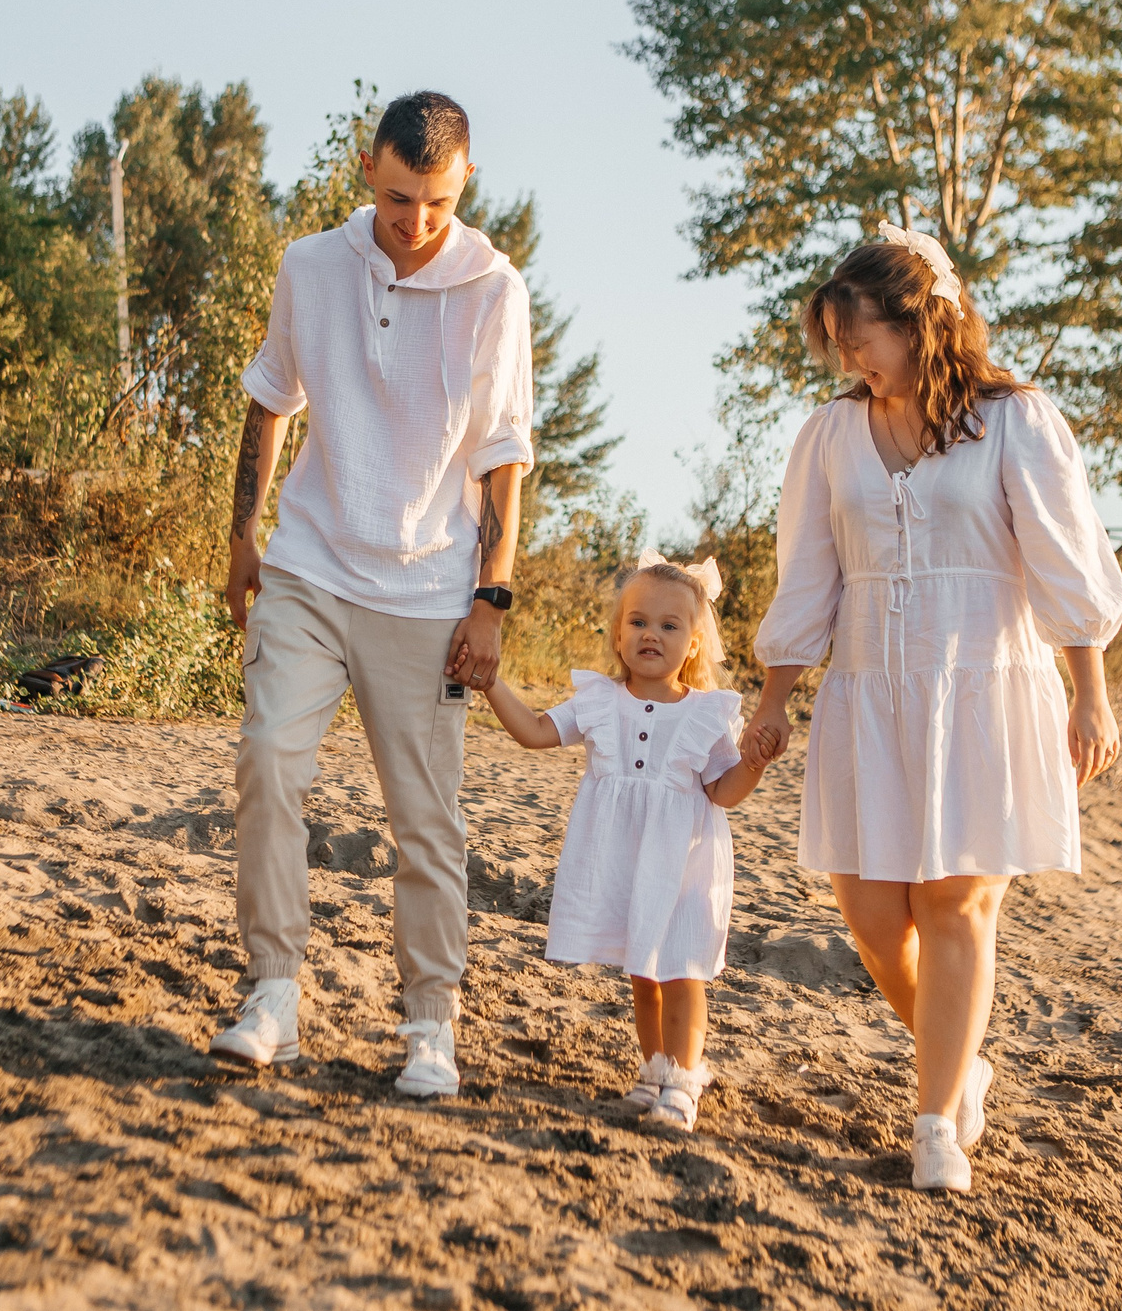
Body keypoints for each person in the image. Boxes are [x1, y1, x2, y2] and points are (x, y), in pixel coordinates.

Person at [744, 229, 1122, 1192]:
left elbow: (1062, 561)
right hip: (871, 687)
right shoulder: (830, 435)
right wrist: (775, 696)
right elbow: (808, 578)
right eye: (836, 343)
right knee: (874, 917)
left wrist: (1091, 692)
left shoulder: (1014, 420)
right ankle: (963, 1065)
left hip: (986, 680)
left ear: (920, 321)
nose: (849, 359)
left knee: (957, 900)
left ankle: (934, 1127)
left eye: (860, 336)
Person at [210, 90, 535, 1098]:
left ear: (463, 183)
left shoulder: (494, 290)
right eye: (401, 199)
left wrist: (492, 597)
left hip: (428, 589)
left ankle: (428, 1025)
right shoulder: (311, 266)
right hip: (308, 563)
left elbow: (501, 458)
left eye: (438, 202)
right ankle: (273, 994)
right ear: (367, 169)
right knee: (268, 759)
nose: (418, 224)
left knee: (425, 820)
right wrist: (240, 536)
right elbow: (271, 398)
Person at [476, 553, 780, 1131]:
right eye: (638, 621)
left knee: (682, 968)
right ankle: (656, 1066)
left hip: (685, 863)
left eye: (670, 626)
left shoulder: (706, 714)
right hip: (625, 857)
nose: (652, 634)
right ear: (618, 633)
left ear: (692, 644)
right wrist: (493, 685)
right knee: (643, 969)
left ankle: (685, 1081)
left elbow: (724, 791)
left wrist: (756, 764)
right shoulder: (598, 701)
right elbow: (536, 732)